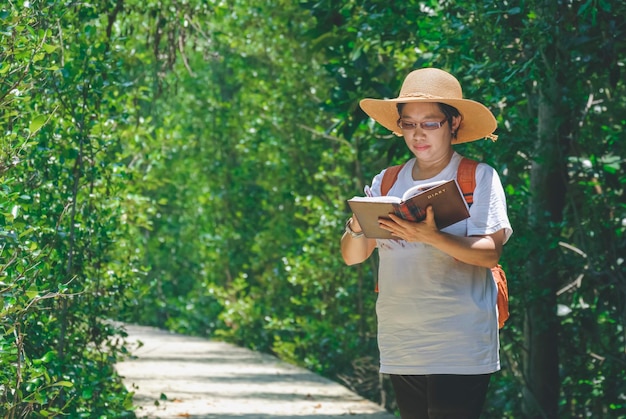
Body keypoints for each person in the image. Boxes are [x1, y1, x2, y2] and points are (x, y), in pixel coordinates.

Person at [341, 68, 513, 419]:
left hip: (460, 340)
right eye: (408, 124)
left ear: (453, 123)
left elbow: (490, 253)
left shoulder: (478, 177)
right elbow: (353, 257)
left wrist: (430, 236)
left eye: (430, 123)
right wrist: (357, 225)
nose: (418, 134)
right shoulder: (386, 181)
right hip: (401, 338)